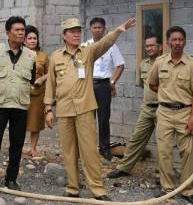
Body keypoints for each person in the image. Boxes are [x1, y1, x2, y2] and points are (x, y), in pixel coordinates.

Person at [44, 17, 136, 201]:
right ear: (64, 35)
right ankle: (73, 187)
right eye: (72, 31)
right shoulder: (55, 56)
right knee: (69, 151)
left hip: (84, 108)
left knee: (89, 151)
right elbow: (51, 84)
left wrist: (119, 30)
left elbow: (105, 43)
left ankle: (97, 189)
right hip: (64, 109)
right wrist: (48, 109)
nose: (77, 33)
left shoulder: (88, 52)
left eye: (78, 30)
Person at [0, 16, 36, 198]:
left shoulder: (31, 55)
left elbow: (32, 80)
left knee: (17, 143)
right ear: (8, 32)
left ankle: (11, 179)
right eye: (17, 30)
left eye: (23, 30)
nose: (21, 33)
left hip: (20, 105)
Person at [148, 26, 193, 204]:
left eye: (180, 40)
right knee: (164, 152)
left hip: (185, 113)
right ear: (168, 43)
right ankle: (167, 189)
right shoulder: (160, 62)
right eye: (174, 40)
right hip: (164, 113)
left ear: (185, 42)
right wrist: (166, 96)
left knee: (188, 152)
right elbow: (152, 84)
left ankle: (187, 190)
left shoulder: (192, 64)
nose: (177, 43)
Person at [107, 36, 162, 179]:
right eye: (147, 46)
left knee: (164, 143)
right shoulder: (143, 64)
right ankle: (124, 168)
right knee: (136, 139)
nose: (149, 48)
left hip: (163, 109)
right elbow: (144, 85)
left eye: (152, 45)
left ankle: (163, 175)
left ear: (160, 47)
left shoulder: (165, 64)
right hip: (147, 108)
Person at [83, 17, 125, 161]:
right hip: (88, 85)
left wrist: (112, 81)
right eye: (95, 27)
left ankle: (104, 149)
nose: (97, 30)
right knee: (88, 118)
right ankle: (88, 150)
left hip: (103, 85)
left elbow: (120, 65)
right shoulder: (85, 46)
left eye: (100, 27)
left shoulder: (111, 45)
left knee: (103, 118)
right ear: (90, 29)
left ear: (104, 29)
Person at [24, 25, 49, 158]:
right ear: (24, 40)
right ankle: (16, 147)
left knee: (35, 122)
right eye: (30, 38)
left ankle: (33, 148)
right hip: (21, 93)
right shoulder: (20, 54)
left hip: (38, 94)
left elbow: (50, 73)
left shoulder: (43, 56)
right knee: (19, 121)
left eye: (35, 38)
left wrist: (41, 79)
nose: (33, 40)